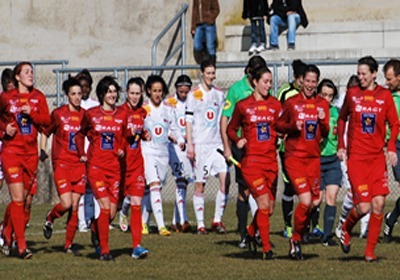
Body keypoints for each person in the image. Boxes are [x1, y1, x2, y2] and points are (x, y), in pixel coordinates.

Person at [337, 56, 398, 262]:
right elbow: (342, 117)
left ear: (374, 74)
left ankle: (369, 253)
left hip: (376, 158)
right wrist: (341, 145)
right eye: (359, 73)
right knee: (363, 206)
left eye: (364, 73)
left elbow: (395, 123)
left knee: (379, 204)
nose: (360, 77)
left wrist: (391, 147)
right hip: (357, 159)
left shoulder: (385, 96)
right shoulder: (352, 94)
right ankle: (345, 229)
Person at [276, 64, 330, 260]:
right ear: (301, 81)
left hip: (313, 158)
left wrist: (323, 121)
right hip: (295, 157)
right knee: (306, 200)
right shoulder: (292, 102)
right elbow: (279, 124)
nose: (309, 85)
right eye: (307, 81)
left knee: (316, 201)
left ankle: (301, 228)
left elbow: (325, 132)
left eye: (313, 82)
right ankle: (295, 239)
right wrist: (292, 125)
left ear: (317, 83)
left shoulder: (322, 104)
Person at [227, 65, 281, 259]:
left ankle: (251, 231)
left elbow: (282, 126)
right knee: (263, 204)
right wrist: (237, 140)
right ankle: (266, 249)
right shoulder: (243, 105)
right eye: (265, 82)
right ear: (256, 82)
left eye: (270, 82)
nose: (269, 85)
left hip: (271, 163)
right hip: (252, 163)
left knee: (270, 208)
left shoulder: (275, 105)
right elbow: (231, 128)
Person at [0, 61, 51, 259]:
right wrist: (5, 130)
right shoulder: (6, 97)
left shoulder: (38, 97)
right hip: (12, 152)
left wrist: (34, 113)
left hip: (31, 155)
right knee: (18, 199)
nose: (31, 74)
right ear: (18, 77)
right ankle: (21, 246)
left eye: (32, 71)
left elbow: (47, 122)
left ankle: (6, 231)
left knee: (27, 199)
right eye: (26, 72)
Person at [76, 76, 127, 261]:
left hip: (114, 169)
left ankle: (95, 228)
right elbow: (79, 135)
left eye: (115, 91)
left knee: (111, 212)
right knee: (105, 207)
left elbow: (125, 137)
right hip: (96, 167)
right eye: (109, 91)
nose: (113, 95)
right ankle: (105, 251)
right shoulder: (91, 114)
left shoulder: (122, 114)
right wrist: (82, 153)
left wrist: (122, 148)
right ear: (102, 94)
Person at [220, 55, 266, 248]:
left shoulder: (265, 90)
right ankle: (242, 233)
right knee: (245, 189)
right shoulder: (236, 90)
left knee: (263, 191)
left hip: (262, 149)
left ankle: (256, 231)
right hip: (242, 148)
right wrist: (227, 147)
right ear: (249, 72)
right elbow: (225, 120)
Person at [40, 77, 86, 256]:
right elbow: (46, 131)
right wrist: (42, 150)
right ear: (67, 96)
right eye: (73, 94)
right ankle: (50, 217)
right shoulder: (59, 114)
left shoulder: (85, 115)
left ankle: (68, 245)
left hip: (79, 164)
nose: (76, 97)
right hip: (62, 163)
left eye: (79, 94)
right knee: (66, 203)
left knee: (75, 206)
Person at [186, 59, 229, 234]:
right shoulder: (194, 93)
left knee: (226, 179)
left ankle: (217, 220)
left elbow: (222, 119)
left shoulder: (219, 93)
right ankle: (201, 224)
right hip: (201, 145)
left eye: (213, 73)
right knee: (200, 185)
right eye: (208, 73)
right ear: (202, 73)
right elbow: (188, 120)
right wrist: (190, 144)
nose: (211, 76)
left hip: (217, 143)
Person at [141, 75, 184, 236]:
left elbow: (173, 128)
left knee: (152, 189)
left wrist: (179, 139)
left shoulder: (168, 109)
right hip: (148, 152)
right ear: (148, 92)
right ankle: (161, 226)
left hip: (163, 153)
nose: (157, 94)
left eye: (160, 91)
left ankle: (142, 222)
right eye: (154, 91)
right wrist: (142, 133)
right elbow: (137, 127)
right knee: (154, 185)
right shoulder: (144, 109)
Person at [335, 74, 371, 239]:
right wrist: (340, 145)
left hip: (364, 153)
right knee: (351, 192)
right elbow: (339, 119)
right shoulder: (345, 100)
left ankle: (365, 229)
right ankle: (342, 220)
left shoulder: (367, 102)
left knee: (367, 192)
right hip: (347, 154)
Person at [277, 59, 308, 239]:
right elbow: (278, 119)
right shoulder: (285, 93)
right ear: (297, 77)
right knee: (290, 187)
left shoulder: (310, 95)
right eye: (302, 79)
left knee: (309, 190)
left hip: (307, 150)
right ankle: (288, 226)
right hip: (288, 149)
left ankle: (306, 227)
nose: (305, 83)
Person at [119, 77, 150, 259]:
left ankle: (136, 246)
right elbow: (116, 135)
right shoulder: (119, 112)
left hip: (137, 165)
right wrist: (125, 135)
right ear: (126, 93)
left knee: (137, 204)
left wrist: (144, 134)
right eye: (132, 93)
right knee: (112, 208)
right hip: (120, 166)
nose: (135, 97)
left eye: (138, 93)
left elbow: (138, 134)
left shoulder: (142, 112)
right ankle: (97, 232)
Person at [316, 79, 341, 246]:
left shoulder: (336, 112)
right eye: (324, 94)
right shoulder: (312, 110)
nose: (327, 99)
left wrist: (342, 148)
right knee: (315, 200)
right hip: (316, 160)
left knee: (331, 197)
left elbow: (341, 134)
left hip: (332, 160)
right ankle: (304, 231)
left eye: (330, 96)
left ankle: (326, 237)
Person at [167, 75, 194, 233]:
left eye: (186, 91)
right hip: (174, 146)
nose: (183, 94)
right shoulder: (170, 103)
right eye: (181, 91)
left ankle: (175, 221)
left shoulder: (192, 101)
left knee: (184, 182)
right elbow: (168, 125)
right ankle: (183, 219)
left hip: (187, 144)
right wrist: (177, 138)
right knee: (180, 179)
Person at [75, 69, 100, 233]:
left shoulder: (94, 105)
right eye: (81, 86)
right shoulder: (75, 105)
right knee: (80, 189)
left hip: (92, 152)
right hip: (78, 152)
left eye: (86, 86)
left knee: (93, 188)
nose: (83, 90)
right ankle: (81, 221)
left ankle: (93, 219)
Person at [381, 59, 400, 243]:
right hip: (397, 146)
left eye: (390, 78)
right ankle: (391, 219)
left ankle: (391, 218)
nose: (387, 82)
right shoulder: (387, 98)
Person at [191, 0, 220, 65]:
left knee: (210, 46)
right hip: (198, 24)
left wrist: (210, 18)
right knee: (197, 46)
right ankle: (205, 58)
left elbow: (217, 9)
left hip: (209, 25)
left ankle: (212, 66)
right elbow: (194, 11)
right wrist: (193, 27)